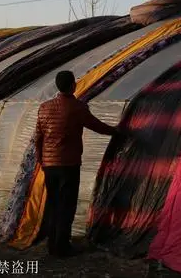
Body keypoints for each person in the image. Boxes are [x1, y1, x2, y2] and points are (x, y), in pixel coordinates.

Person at [34, 70, 121, 257]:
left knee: (54, 203)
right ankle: (62, 247)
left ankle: (52, 244)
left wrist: (42, 160)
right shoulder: (77, 107)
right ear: (73, 85)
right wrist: (116, 132)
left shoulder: (44, 107)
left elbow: (37, 138)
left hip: (49, 166)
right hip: (68, 164)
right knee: (67, 205)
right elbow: (97, 126)